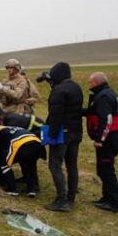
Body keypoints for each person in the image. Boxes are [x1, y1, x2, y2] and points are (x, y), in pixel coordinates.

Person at [43, 62, 83, 212]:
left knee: (55, 165)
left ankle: (62, 201)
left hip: (62, 133)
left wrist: (51, 136)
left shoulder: (58, 91)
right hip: (76, 132)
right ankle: (71, 198)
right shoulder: (76, 87)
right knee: (72, 165)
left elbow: (56, 116)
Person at [86, 72, 118, 213]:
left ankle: (113, 203)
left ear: (96, 82)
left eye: (91, 83)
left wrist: (100, 139)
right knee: (102, 170)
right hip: (112, 137)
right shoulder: (109, 93)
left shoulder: (104, 97)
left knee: (107, 171)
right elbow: (94, 112)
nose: (90, 85)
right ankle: (106, 198)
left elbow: (107, 120)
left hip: (108, 139)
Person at [0, 125, 42, 197]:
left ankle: (12, 189)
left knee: (4, 163)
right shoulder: (11, 128)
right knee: (31, 165)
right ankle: (31, 190)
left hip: (21, 145)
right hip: (38, 145)